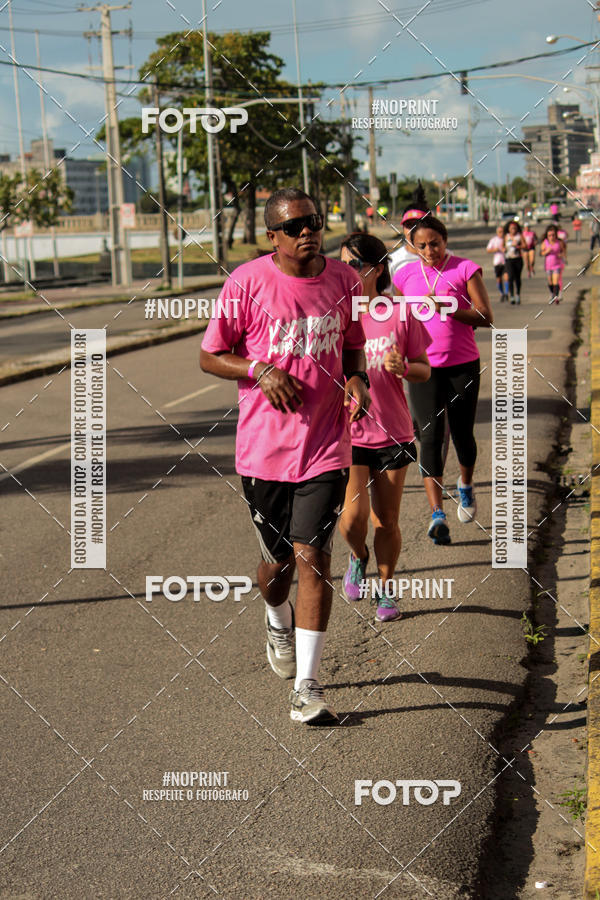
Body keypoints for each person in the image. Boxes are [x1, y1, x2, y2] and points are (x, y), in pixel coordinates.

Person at [200, 188, 371, 725]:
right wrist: (259, 370)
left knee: (313, 557)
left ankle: (307, 687)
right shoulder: (245, 283)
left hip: (326, 446)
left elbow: (352, 343)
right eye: (294, 226)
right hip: (264, 453)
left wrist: (358, 379)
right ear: (272, 236)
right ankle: (277, 616)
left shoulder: (344, 280)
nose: (307, 232)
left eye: (313, 222)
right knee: (277, 567)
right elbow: (210, 356)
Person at [338, 233, 431, 621]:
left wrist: (404, 367)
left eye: (354, 265)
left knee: (386, 521)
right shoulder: (336, 317)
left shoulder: (401, 313)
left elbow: (424, 369)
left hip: (393, 432)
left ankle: (386, 589)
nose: (346, 271)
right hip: (348, 434)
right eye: (341, 263)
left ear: (377, 270)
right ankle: (358, 556)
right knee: (351, 521)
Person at [393, 215, 494, 544]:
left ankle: (465, 485)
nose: (429, 251)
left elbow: (485, 316)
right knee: (430, 436)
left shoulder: (465, 269)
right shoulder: (404, 275)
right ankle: (437, 513)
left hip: (462, 365)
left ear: (445, 240)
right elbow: (398, 319)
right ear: (412, 247)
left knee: (463, 434)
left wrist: (447, 309)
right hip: (423, 367)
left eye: (434, 243)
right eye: (421, 245)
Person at [540, 224, 566, 303]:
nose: (551, 237)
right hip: (548, 265)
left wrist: (561, 255)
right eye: (549, 235)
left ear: (556, 235)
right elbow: (541, 253)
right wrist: (546, 251)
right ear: (547, 236)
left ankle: (556, 297)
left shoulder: (559, 242)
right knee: (550, 282)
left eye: (553, 235)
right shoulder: (545, 242)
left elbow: (563, 251)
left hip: (557, 265)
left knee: (556, 281)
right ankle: (552, 293)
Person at [486, 225, 509, 301]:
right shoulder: (494, 240)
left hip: (506, 261)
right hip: (497, 262)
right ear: (497, 232)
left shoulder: (506, 239)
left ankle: (506, 293)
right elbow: (488, 250)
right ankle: (502, 293)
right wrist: (495, 249)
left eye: (502, 232)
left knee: (506, 277)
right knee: (499, 279)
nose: (501, 233)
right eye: (500, 232)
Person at [503, 220, 524, 305]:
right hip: (509, 259)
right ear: (509, 229)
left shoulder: (519, 236)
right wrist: (503, 249)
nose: (513, 230)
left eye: (514, 228)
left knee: (517, 278)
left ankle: (518, 294)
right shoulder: (506, 236)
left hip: (518, 259)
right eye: (511, 228)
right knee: (510, 277)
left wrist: (518, 246)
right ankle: (511, 295)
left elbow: (525, 245)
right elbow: (503, 246)